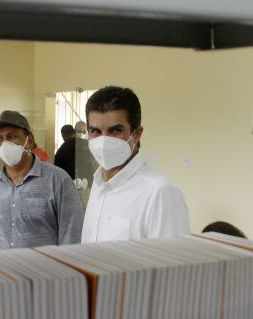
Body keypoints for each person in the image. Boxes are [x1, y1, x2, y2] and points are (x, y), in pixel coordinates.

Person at [81, 86, 189, 243]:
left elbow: (173, 265)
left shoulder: (160, 193)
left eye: (115, 130)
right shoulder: (98, 184)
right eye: (95, 131)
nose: (104, 141)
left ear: (137, 134)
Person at [0, 110, 83, 251]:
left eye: (11, 137)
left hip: (45, 272)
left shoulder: (58, 180)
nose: (4, 144)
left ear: (30, 140)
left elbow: (72, 238)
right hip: (1, 271)